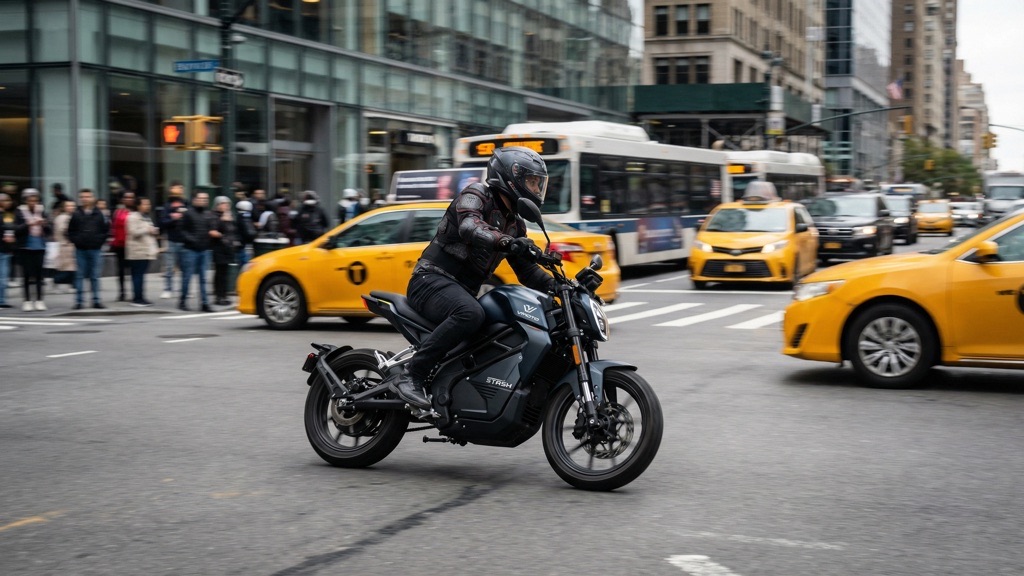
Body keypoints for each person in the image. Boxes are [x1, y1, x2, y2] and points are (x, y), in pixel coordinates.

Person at [387, 147, 556, 409]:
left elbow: (528, 273)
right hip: (430, 281)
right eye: (532, 182)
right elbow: (470, 227)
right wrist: (508, 242)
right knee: (470, 313)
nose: (536, 189)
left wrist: (564, 287)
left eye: (538, 183)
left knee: (498, 325)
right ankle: (412, 374)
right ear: (512, 178)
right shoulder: (477, 194)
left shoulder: (516, 224)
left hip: (461, 291)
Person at [68, 189, 109, 310]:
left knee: (95, 275)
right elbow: (71, 231)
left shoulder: (98, 213)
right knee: (79, 275)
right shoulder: (76, 213)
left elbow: (105, 230)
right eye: (83, 197)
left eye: (88, 196)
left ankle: (96, 300)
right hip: (80, 249)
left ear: (92, 198)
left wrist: (99, 241)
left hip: (95, 248)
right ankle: (79, 301)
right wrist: (77, 241)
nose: (85, 199)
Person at [179, 191, 215, 312]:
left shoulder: (208, 214)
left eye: (206, 198)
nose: (204, 200)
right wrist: (193, 240)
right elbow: (181, 231)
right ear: (194, 199)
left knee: (203, 278)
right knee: (187, 277)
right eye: (201, 198)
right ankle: (182, 301)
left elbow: (210, 229)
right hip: (190, 250)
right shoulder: (188, 213)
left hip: (204, 250)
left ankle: (204, 303)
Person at [16, 189, 51, 311]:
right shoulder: (20, 212)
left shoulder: (41, 211)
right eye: (30, 200)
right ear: (25, 201)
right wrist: (28, 224)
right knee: (26, 275)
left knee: (39, 276)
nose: (33, 203)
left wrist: (44, 224)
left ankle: (40, 300)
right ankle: (27, 301)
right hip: (25, 247)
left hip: (40, 247)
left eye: (35, 201)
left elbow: (49, 229)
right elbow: (16, 229)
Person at [126, 197, 159, 306]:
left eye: (148, 204)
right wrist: (148, 230)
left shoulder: (146, 217)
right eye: (145, 204)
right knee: (137, 275)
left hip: (145, 250)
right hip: (137, 251)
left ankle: (140, 297)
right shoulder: (132, 217)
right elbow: (133, 232)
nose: (148, 206)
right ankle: (137, 299)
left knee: (140, 275)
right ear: (139, 205)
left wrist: (153, 231)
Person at [159, 183, 187, 299]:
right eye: (176, 187)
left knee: (184, 267)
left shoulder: (186, 203)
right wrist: (173, 218)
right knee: (169, 266)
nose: (179, 190)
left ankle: (185, 289)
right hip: (172, 239)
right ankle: (168, 289)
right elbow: (163, 222)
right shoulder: (167, 205)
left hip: (184, 239)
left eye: (180, 187)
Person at [210, 196, 238, 306]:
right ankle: (218, 296)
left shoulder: (229, 216)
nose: (226, 206)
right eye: (223, 204)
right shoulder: (214, 216)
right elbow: (214, 230)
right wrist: (223, 221)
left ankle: (224, 295)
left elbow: (232, 230)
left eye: (227, 204)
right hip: (218, 248)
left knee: (225, 273)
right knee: (219, 273)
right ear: (217, 205)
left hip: (228, 248)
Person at [109, 190, 136, 301]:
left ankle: (136, 292)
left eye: (131, 197)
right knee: (120, 270)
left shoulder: (137, 212)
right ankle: (122, 292)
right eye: (126, 197)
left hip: (134, 245)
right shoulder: (118, 212)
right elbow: (113, 228)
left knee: (134, 270)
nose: (129, 199)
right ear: (123, 199)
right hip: (120, 244)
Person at [0, 192, 22, 309]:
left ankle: (2, 300)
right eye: (6, 200)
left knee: (4, 277)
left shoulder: (8, 214)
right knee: (2, 277)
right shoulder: (4, 215)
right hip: (3, 248)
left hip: (5, 249)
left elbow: (10, 228)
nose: (9, 202)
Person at [51, 199, 78, 294]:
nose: (71, 208)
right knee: (66, 268)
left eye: (73, 206)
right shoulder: (63, 218)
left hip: (68, 245)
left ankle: (73, 285)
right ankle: (57, 282)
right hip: (65, 245)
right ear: (64, 207)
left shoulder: (70, 217)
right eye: (69, 206)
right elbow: (64, 231)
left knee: (71, 267)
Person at [234, 199, 257, 268]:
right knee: (245, 264)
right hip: (244, 244)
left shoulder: (239, 216)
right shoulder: (246, 217)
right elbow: (249, 232)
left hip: (241, 243)